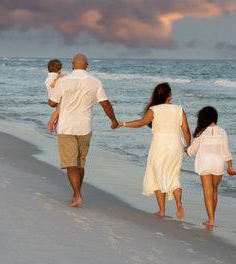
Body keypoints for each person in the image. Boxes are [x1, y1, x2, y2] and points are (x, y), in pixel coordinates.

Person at [48, 54, 119, 207]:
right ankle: (77, 193)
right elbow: (105, 104)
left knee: (70, 163)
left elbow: (52, 103)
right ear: (87, 65)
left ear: (73, 65)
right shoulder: (95, 82)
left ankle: (77, 195)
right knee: (80, 163)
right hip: (85, 127)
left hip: (66, 127)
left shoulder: (62, 81)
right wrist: (113, 120)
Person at [118, 83, 191, 219]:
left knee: (157, 175)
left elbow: (141, 123)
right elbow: (186, 130)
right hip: (175, 144)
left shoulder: (154, 109)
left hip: (159, 144)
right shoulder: (179, 109)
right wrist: (188, 145)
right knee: (174, 175)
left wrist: (122, 123)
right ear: (170, 95)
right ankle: (179, 203)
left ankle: (162, 210)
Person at [186, 106, 233, 228]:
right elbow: (226, 151)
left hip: (205, 163)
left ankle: (211, 220)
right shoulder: (222, 131)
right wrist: (230, 167)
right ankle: (211, 217)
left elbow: (192, 150)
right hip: (218, 163)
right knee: (214, 190)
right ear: (215, 118)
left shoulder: (201, 132)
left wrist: (185, 150)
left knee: (207, 192)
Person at [45, 59, 63, 133]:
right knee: (59, 111)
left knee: (60, 111)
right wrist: (59, 78)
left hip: (53, 97)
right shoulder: (54, 77)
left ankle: (56, 124)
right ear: (59, 69)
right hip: (55, 98)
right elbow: (52, 84)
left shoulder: (50, 76)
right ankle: (51, 122)